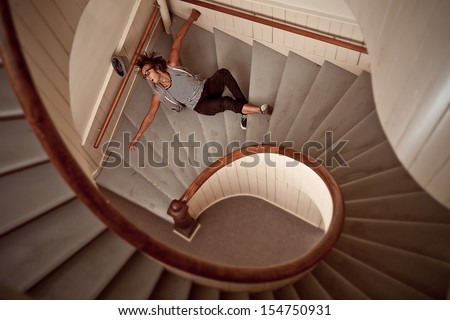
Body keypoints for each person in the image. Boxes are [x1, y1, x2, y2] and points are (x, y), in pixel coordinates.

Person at [128, 9, 272, 150]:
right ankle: (259, 110)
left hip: (205, 87)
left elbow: (178, 38)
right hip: (201, 105)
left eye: (148, 72)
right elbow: (149, 117)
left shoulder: (172, 65)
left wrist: (191, 18)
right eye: (145, 76)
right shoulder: (158, 95)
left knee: (223, 73)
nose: (148, 77)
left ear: (156, 67)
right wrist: (136, 138)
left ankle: (243, 110)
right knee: (226, 102)